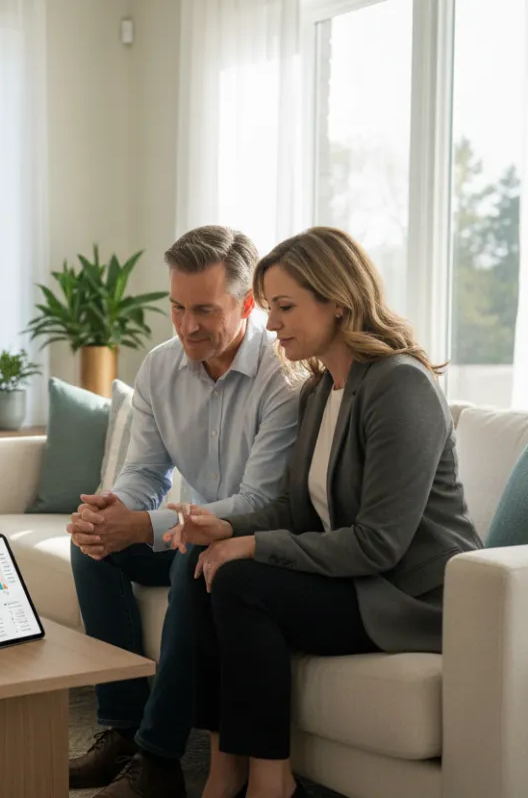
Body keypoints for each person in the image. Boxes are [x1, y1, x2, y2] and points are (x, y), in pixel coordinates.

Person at [165, 226, 483, 798]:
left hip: (407, 596)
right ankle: (226, 771)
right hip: (356, 579)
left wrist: (254, 546)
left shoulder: (399, 385)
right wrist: (225, 526)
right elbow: (296, 508)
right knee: (203, 566)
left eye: (284, 307)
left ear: (337, 301)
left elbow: (380, 543)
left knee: (238, 580)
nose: (271, 324)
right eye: (269, 308)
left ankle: (270, 783)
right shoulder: (320, 388)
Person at [66, 225, 300, 798]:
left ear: (247, 304)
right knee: (94, 549)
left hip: (253, 544)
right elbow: (145, 471)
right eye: (176, 307)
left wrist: (148, 525)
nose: (187, 325)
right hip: (189, 530)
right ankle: (121, 731)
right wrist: (112, 509)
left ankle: (159, 760)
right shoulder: (160, 367)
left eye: (204, 309)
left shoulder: (283, 375)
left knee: (190, 552)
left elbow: (260, 503)